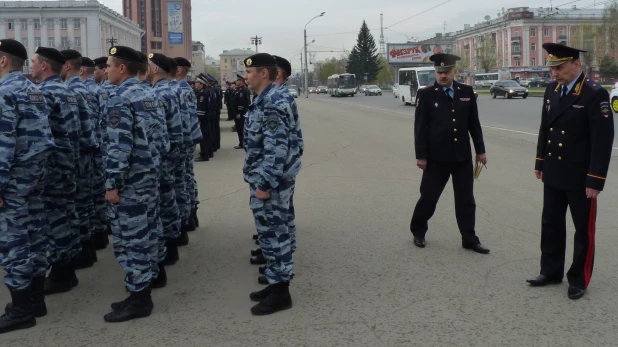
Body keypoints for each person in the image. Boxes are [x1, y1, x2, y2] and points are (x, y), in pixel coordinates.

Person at [527, 43, 614, 300]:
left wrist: (596, 179)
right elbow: (546, 128)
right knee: (551, 224)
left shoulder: (594, 94)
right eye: (552, 68)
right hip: (554, 171)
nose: (554, 73)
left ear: (577, 65)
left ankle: (578, 279)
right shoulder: (551, 89)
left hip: (580, 176)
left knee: (582, 230)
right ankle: (551, 271)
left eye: (560, 67)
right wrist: (540, 162)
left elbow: (602, 141)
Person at [0, 39, 55, 333]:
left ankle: (22, 309)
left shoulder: (4, 93)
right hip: (35, 175)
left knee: (13, 242)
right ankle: (35, 301)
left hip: (13, 179)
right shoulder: (33, 90)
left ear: (2, 61)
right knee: (34, 235)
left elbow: (3, 144)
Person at [410, 53, 490, 254]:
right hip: (436, 158)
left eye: (446, 72)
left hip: (461, 157)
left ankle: (469, 239)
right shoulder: (426, 94)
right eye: (439, 72)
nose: (442, 76)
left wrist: (480, 151)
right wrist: (421, 155)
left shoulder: (466, 91)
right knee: (428, 198)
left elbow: (474, 124)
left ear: (455, 72)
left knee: (466, 200)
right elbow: (420, 127)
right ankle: (418, 231)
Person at [102, 45, 160, 322]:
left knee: (131, 241)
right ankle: (139, 292)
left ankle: (140, 300)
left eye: (110, 65)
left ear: (122, 68)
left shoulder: (119, 99)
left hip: (129, 182)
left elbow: (118, 146)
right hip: (148, 176)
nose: (106, 70)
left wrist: (112, 183)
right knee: (146, 238)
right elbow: (161, 140)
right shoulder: (148, 95)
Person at [241, 53, 301, 315]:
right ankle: (276, 284)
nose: (246, 76)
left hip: (271, 183)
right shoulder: (266, 99)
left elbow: (276, 149)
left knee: (276, 237)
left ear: (264, 73)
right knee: (270, 236)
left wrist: (264, 184)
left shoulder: (273, 102)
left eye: (249, 72)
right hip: (270, 179)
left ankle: (281, 294)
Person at [30, 47, 82, 297]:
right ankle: (67, 269)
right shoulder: (68, 91)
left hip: (53, 168)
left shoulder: (44, 93)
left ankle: (61, 273)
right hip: (69, 164)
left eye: (34, 62)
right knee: (68, 216)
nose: (31, 66)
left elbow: (40, 135)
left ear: (44, 66)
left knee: (55, 221)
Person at [60, 49, 99, 268]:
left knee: (75, 206)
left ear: (69, 66)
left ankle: (81, 253)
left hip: (75, 157)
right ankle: (89, 248)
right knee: (86, 203)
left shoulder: (71, 92)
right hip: (88, 153)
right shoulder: (86, 90)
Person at [148, 53, 184, 266]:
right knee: (168, 199)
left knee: (163, 202)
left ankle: (168, 248)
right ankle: (171, 245)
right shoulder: (165, 91)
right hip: (170, 153)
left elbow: (163, 131)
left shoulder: (160, 94)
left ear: (154, 70)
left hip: (164, 155)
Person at [80, 57, 109, 250]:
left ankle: (94, 237)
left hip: (88, 152)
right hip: (99, 149)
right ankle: (101, 231)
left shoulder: (83, 91)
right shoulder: (100, 90)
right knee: (98, 193)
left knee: (86, 196)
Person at [175, 57, 201, 232]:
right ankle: (191, 212)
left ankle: (187, 216)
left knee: (182, 179)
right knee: (188, 177)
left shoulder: (178, 90)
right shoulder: (187, 89)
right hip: (189, 139)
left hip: (183, 141)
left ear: (177, 70)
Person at [166, 57, 191, 245]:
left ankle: (184, 221)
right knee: (183, 180)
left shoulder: (177, 89)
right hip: (182, 143)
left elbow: (184, 121)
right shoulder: (178, 90)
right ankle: (186, 220)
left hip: (176, 146)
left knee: (180, 183)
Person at [195, 75, 213, 162]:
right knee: (207, 136)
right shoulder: (205, 92)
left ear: (201, 84)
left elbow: (201, 108)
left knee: (204, 137)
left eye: (197, 83)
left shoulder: (203, 94)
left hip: (203, 118)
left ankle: (204, 155)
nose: (195, 84)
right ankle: (208, 152)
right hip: (207, 118)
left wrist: (198, 119)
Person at [233, 74, 250, 150]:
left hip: (241, 113)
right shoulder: (238, 90)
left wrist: (239, 113)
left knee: (242, 129)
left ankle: (243, 143)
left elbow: (243, 103)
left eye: (237, 80)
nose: (236, 81)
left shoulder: (244, 90)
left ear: (241, 81)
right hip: (238, 112)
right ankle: (241, 143)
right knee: (239, 129)